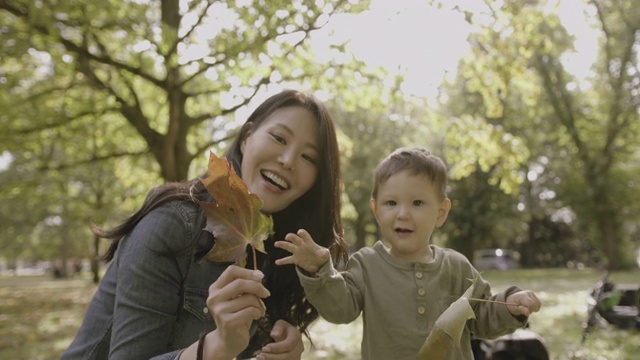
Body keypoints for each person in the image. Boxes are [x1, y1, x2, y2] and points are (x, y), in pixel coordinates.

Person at [60, 89, 349, 360]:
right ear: (247, 136)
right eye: (279, 138)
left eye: (308, 157)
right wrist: (217, 345)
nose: (288, 160)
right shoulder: (173, 224)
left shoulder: (276, 252)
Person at [274, 147, 542, 360]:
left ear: (440, 212)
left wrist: (510, 306)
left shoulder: (457, 268)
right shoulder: (366, 265)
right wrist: (320, 270)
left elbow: (484, 320)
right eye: (391, 203)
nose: (402, 213)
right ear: (377, 211)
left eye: (417, 202)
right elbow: (340, 310)